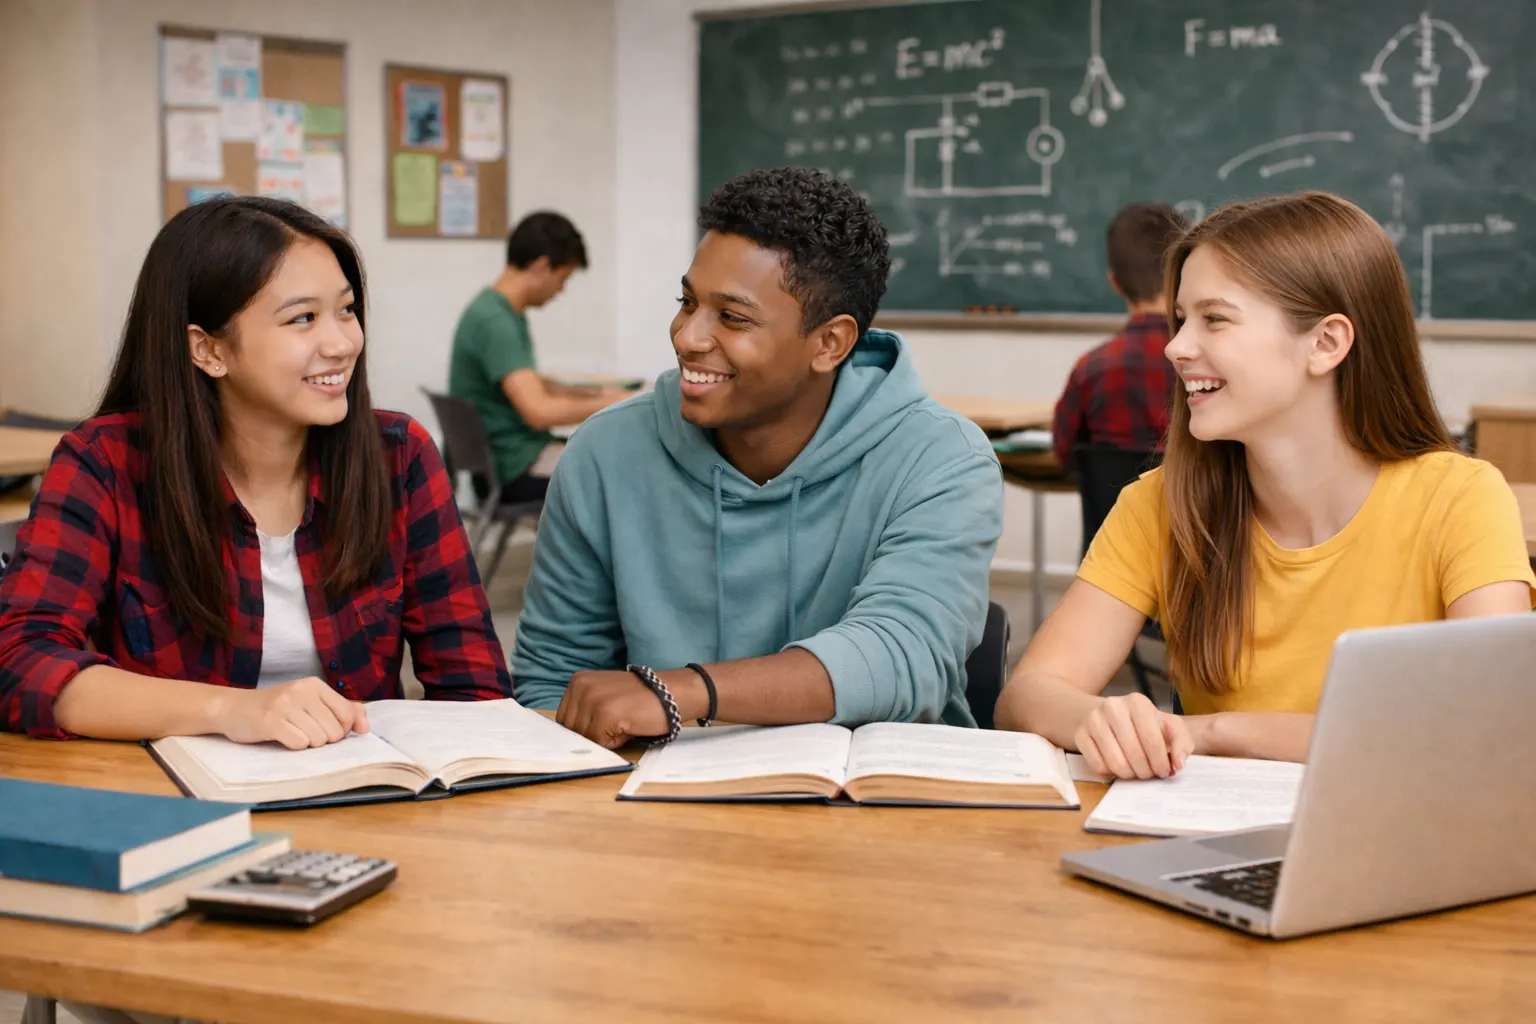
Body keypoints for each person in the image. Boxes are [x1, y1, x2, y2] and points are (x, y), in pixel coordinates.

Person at [995, 191, 1535, 778]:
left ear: (1326, 343)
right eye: (1181, 319)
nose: (1175, 346)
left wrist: (1220, 731)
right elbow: (1026, 695)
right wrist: (1095, 720)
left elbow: (1492, 722)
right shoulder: (1161, 503)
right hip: (1204, 844)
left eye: (1215, 319)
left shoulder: (1460, 498)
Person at [513, 167, 1004, 747]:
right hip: (656, 806)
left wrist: (682, 693)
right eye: (687, 301)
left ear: (830, 343)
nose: (688, 336)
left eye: (733, 317)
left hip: (875, 805)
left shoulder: (942, 459)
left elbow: (900, 654)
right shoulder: (603, 453)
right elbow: (554, 680)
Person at [0, 196, 511, 746]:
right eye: (303, 319)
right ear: (208, 350)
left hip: (363, 802)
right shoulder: (106, 463)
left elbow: (474, 688)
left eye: (345, 310)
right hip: (173, 808)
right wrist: (229, 709)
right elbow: (21, 661)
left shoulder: (399, 457)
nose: (342, 343)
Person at [448, 211, 630, 505]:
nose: (561, 290)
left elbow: (525, 384)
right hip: (514, 466)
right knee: (628, 468)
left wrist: (585, 393)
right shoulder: (496, 322)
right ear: (542, 266)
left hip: (504, 459)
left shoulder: (493, 310)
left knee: (609, 454)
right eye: (563, 278)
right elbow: (539, 411)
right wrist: (617, 402)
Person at [1051, 202, 1188, 476]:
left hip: (1113, 516)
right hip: (1195, 516)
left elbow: (1064, 455)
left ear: (1115, 283)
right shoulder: (1206, 360)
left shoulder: (1091, 368)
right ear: (1184, 273)